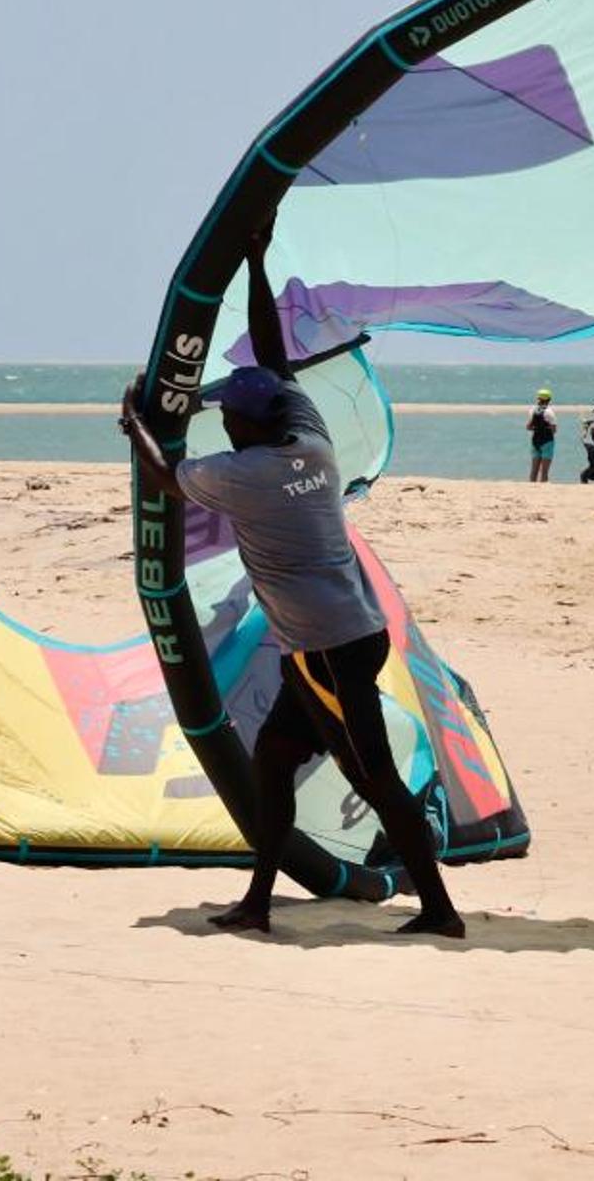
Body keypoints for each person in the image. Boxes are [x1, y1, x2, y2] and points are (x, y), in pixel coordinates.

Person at [117, 234, 465, 940]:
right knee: (273, 761)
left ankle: (440, 910)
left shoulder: (247, 475)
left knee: (374, 778)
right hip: (330, 642)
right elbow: (274, 360)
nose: (224, 420)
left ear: (249, 422)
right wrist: (254, 264)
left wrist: (133, 421)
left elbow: (163, 478)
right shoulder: (310, 442)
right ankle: (258, 901)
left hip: (330, 649)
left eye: (229, 414)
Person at [523, 388, 559, 483]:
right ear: (549, 400)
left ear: (538, 398)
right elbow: (554, 430)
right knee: (544, 472)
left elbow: (528, 427)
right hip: (547, 441)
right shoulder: (550, 412)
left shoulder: (532, 410)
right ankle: (543, 488)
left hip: (535, 440)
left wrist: (537, 429)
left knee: (534, 470)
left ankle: (531, 487)